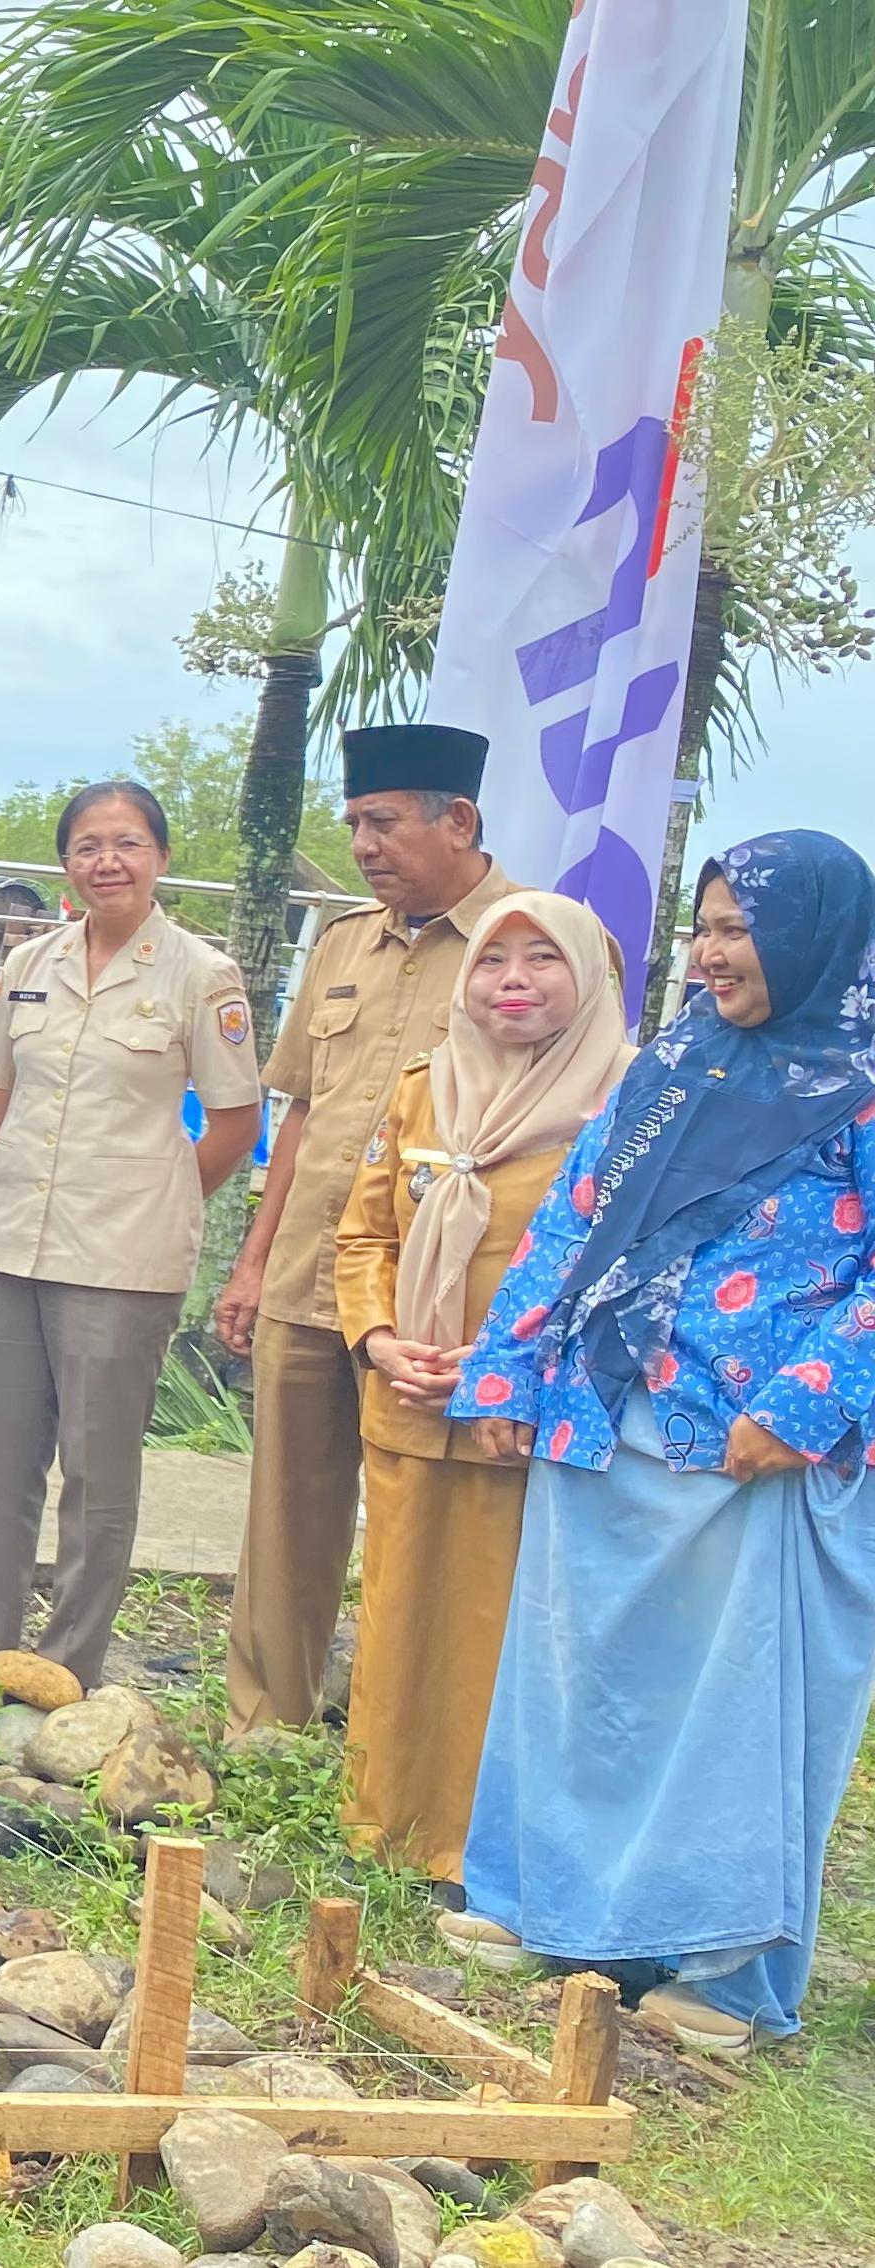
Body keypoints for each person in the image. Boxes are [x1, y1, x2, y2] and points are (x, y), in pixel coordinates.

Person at [446, 837, 875, 2056]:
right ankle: (554, 1908)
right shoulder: (676, 1063)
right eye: (705, 927)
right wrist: (510, 1369)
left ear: (811, 937)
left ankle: (725, 1969)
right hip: (613, 1417)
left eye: (739, 929)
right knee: (585, 1679)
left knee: (732, 1704)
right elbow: (575, 1222)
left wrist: (798, 1406)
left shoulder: (864, 1079)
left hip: (759, 1454)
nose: (712, 952)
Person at [210, 723, 516, 1730]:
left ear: (458, 820)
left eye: (382, 822)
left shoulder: (530, 944)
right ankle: (265, 1731)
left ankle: (395, 1744)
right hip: (310, 1272)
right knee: (286, 1516)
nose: (363, 845)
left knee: (419, 1522)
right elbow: (298, 1113)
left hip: (436, 1292)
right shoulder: (344, 944)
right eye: (353, 825)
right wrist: (253, 1263)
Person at [0, 782, 264, 1683]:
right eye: (86, 845)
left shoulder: (202, 976)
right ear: (65, 862)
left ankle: (67, 1671)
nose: (105, 861)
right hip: (7, 1246)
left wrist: (160, 1195)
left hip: (122, 1262)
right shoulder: (28, 964)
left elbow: (235, 1121)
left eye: (125, 843)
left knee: (97, 1478)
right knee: (2, 1472)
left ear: (160, 856)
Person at [328, 890, 626, 1888]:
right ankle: (382, 1831)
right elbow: (367, 1231)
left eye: (544, 961)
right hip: (411, 1403)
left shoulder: (625, 1106)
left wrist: (515, 1364)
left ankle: (481, 1850)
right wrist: (376, 1338)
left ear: (591, 977)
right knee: (400, 1615)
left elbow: (624, 1270)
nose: (514, 982)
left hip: (526, 1421)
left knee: (505, 1636)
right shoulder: (425, 1090)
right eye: (497, 962)